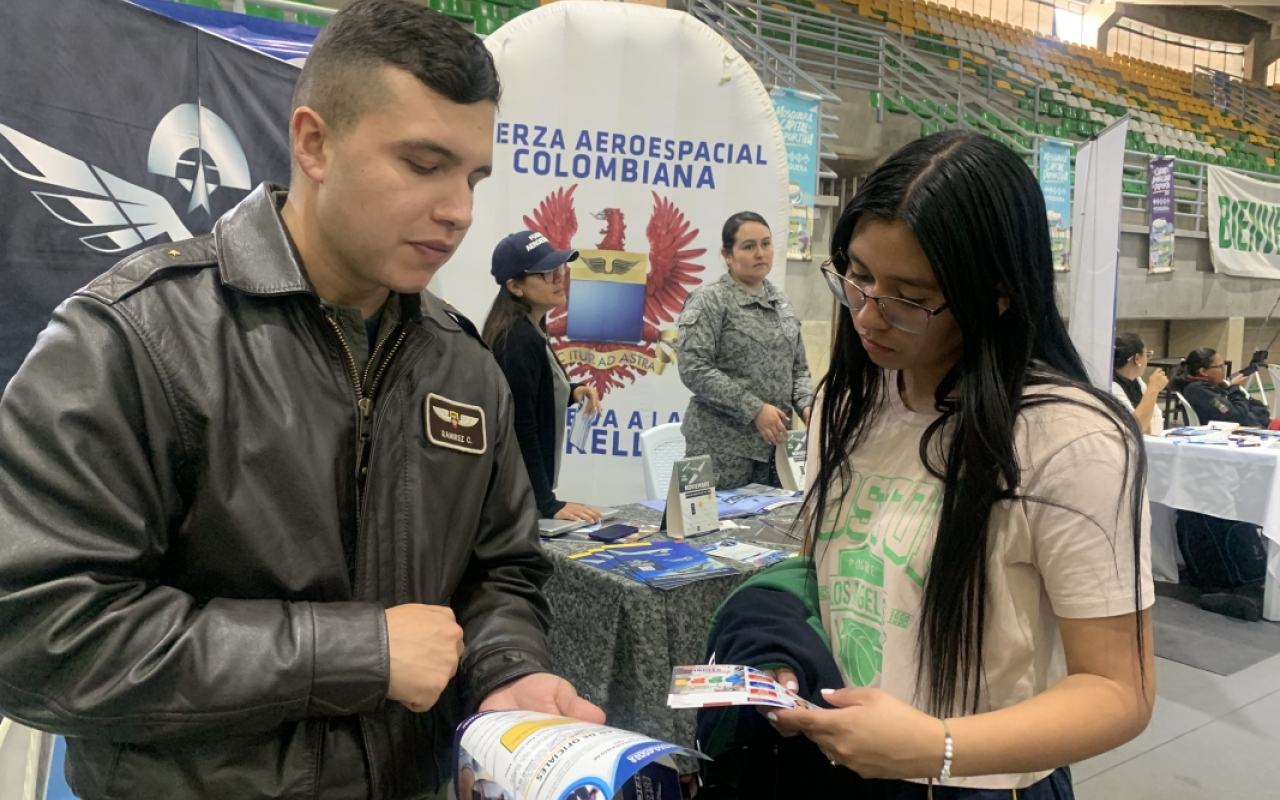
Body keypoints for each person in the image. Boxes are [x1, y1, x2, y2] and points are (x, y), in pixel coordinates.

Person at [0, 3, 601, 800]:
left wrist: (507, 673)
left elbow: (501, 575)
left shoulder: (464, 367)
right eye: (423, 164)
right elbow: (37, 633)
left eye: (472, 175)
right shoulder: (135, 339)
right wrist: (360, 653)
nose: (459, 208)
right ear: (314, 143)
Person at [764, 132, 1153, 796]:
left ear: (997, 293)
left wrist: (936, 747)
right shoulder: (848, 400)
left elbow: (1119, 688)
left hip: (975, 781)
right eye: (857, 276)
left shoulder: (1069, 440)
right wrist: (786, 660)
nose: (867, 313)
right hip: (841, 768)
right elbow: (825, 573)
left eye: (909, 297)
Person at [675, 212, 814, 488]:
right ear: (727, 255)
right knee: (716, 529)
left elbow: (797, 368)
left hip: (776, 448)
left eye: (766, 244)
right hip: (720, 449)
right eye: (749, 246)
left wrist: (808, 407)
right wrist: (754, 409)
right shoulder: (710, 301)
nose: (760, 253)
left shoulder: (781, 303)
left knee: (771, 527)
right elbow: (694, 368)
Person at [483, 230, 602, 523]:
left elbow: (531, 394)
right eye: (546, 273)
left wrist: (571, 391)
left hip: (521, 496)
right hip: (515, 500)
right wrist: (546, 503)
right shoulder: (518, 339)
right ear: (515, 286)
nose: (559, 278)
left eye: (559, 269)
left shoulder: (526, 329)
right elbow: (520, 425)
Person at [1169, 347, 1270, 427]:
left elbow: (1259, 409)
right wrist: (1234, 388)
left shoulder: (1214, 386)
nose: (1223, 370)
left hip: (1257, 425)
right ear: (1203, 371)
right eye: (1219, 366)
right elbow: (1237, 416)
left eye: (1223, 365)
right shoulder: (1200, 392)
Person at [1112, 332, 1167, 435]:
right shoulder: (1111, 386)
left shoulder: (1137, 380)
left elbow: (1157, 420)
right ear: (1137, 358)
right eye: (1147, 355)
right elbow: (1135, 427)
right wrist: (1153, 389)